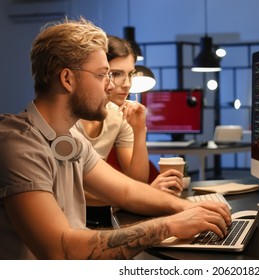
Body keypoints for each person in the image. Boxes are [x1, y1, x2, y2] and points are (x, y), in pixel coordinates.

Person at [0, 18, 231, 260]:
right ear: (68, 79)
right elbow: (61, 249)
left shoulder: (70, 138)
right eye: (102, 75)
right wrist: (169, 225)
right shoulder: (17, 145)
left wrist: (190, 208)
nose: (111, 86)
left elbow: (127, 191)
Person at [74, 35, 184, 227]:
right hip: (67, 216)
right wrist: (142, 194)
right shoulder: (68, 120)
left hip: (99, 217)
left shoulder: (117, 113)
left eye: (130, 74)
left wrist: (139, 129)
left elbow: (136, 179)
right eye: (115, 74)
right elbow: (74, 190)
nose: (127, 84)